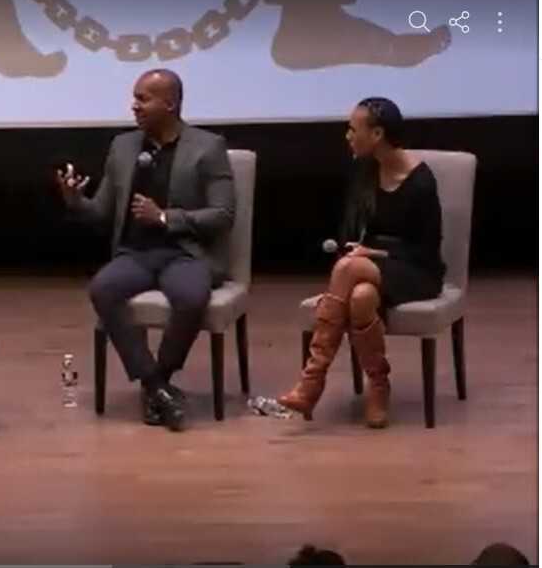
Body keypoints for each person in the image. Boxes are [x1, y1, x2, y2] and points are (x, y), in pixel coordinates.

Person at [56, 69, 235, 432]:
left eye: (143, 99)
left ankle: (160, 380)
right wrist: (76, 201)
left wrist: (166, 217)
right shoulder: (123, 147)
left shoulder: (207, 147)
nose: (133, 106)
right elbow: (103, 211)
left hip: (185, 253)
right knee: (103, 289)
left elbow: (223, 214)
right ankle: (156, 387)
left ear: (170, 104)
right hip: (136, 253)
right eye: (134, 98)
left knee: (191, 295)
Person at [264, 97, 444, 428]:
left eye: (353, 129)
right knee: (360, 298)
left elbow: (427, 251)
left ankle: (311, 381)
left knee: (350, 268)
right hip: (368, 268)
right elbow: (355, 230)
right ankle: (379, 385)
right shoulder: (363, 170)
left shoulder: (420, 181)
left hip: (415, 270)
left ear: (377, 133)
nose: (347, 136)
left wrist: (373, 255)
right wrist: (357, 247)